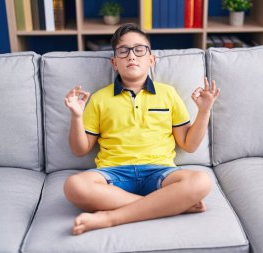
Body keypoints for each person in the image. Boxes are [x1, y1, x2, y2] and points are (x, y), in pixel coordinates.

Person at [63, 23, 220, 235]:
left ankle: (111, 218)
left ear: (151, 60)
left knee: (200, 181)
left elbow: (189, 145)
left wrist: (204, 111)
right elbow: (80, 149)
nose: (131, 56)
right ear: (114, 62)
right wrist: (76, 115)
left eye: (139, 50)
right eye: (123, 51)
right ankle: (166, 205)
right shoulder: (100, 98)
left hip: (160, 172)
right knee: (74, 186)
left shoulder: (168, 94)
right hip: (113, 175)